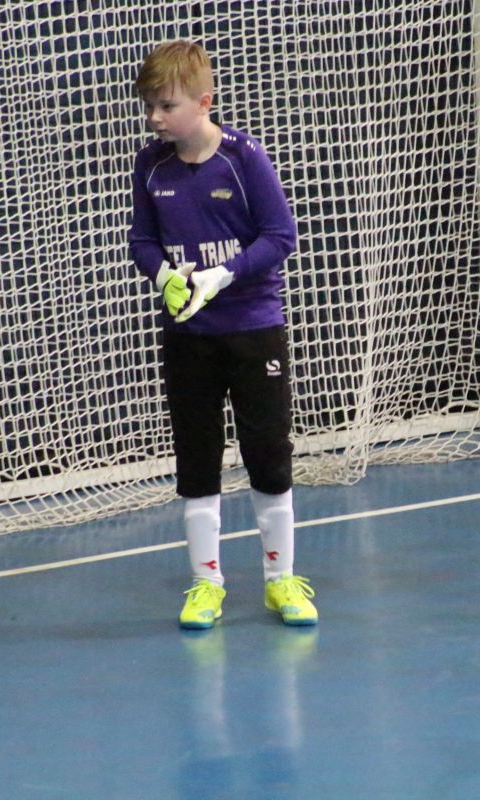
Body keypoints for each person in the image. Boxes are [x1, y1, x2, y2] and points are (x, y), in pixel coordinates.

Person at [128, 40, 317, 630]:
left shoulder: (244, 158)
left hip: (254, 329)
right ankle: (206, 583)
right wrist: (164, 275)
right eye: (149, 106)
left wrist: (224, 273)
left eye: (166, 106)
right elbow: (142, 240)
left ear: (204, 102)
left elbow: (280, 236)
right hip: (188, 337)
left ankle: (281, 579)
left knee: (268, 453)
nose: (155, 118)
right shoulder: (150, 166)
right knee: (197, 456)